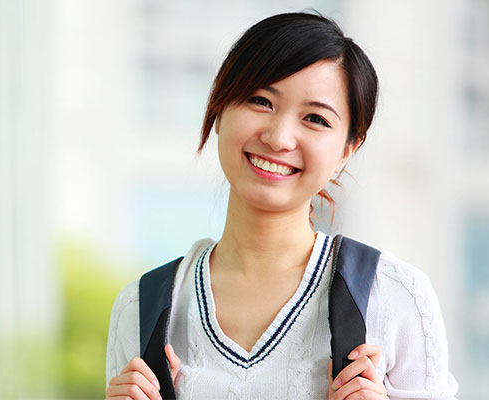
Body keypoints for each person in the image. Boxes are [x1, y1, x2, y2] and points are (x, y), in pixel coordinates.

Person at [105, 12, 458, 400]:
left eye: (315, 119)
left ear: (346, 150)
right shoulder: (143, 308)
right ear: (218, 110)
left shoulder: (392, 296)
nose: (279, 138)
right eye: (260, 101)